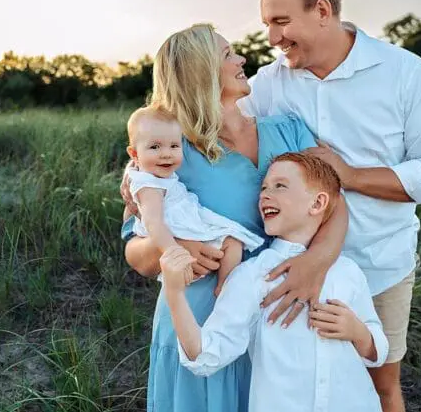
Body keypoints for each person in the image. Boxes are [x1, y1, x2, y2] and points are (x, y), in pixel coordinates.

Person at [242, 0, 421, 412]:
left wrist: (351, 175)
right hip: (294, 276)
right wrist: (141, 177)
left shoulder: (405, 72)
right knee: (297, 394)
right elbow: (204, 123)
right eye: (267, 23)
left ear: (322, 9)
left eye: (281, 21)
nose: (272, 38)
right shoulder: (268, 84)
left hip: (381, 267)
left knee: (381, 389)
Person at [119, 23, 350, 412]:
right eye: (228, 55)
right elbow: (134, 248)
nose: (242, 59)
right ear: (200, 72)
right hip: (202, 318)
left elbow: (335, 205)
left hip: (283, 309)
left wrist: (315, 262)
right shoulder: (172, 152)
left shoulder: (288, 129)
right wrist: (179, 249)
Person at [161, 152, 387, 412]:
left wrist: (357, 331)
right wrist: (175, 294)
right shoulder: (252, 276)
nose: (265, 194)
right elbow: (205, 356)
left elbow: (377, 350)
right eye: (264, 188)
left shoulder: (348, 271)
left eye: (280, 186)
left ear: (317, 203)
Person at [125, 105, 264, 296]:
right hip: (174, 230)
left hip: (188, 220)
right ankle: (225, 289)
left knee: (234, 242)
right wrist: (174, 252)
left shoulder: (158, 174)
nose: (166, 153)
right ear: (134, 154)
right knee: (232, 242)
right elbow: (153, 222)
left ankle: (225, 285)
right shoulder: (148, 185)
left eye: (174, 146)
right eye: (155, 147)